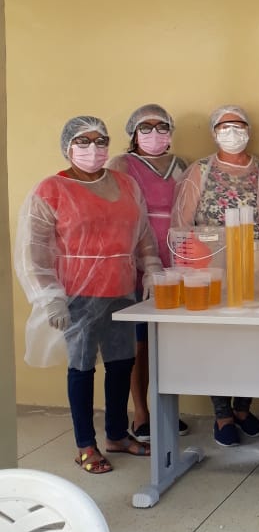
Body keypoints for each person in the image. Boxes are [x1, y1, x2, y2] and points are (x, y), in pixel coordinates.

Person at [15, 115, 163, 473]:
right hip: (77, 295)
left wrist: (152, 267)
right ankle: (85, 445)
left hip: (121, 290)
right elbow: (35, 251)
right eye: (83, 141)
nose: (93, 149)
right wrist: (49, 296)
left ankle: (117, 434)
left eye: (100, 141)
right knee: (81, 368)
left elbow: (142, 232)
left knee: (121, 364)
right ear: (67, 146)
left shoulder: (125, 184)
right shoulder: (51, 190)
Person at [171, 105, 259, 446]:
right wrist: (184, 270)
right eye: (224, 126)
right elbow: (181, 222)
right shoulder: (201, 170)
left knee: (252, 338)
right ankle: (222, 413)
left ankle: (243, 408)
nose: (232, 132)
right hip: (209, 264)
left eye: (239, 125)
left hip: (254, 262)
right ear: (214, 132)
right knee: (218, 340)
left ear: (249, 130)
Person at [109, 103, 188, 443]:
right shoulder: (122, 165)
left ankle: (166, 408)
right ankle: (141, 412)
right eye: (146, 127)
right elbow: (116, 213)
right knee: (140, 341)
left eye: (161, 127)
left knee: (169, 339)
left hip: (177, 255)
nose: (154, 134)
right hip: (138, 257)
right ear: (133, 133)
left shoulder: (181, 165)